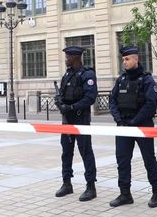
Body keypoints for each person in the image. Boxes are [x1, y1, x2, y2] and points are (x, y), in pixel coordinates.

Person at [109, 46, 157, 208]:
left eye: (127, 59)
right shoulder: (121, 80)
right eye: (123, 59)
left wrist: (135, 122)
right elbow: (112, 101)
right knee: (122, 160)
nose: (124, 62)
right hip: (124, 126)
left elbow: (151, 105)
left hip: (142, 126)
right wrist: (119, 119)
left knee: (149, 159)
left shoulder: (147, 79)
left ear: (136, 59)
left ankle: (156, 191)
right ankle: (125, 194)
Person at [54, 46, 98, 201]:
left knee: (86, 152)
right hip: (67, 120)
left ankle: (91, 186)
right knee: (66, 152)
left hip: (81, 119)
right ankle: (67, 183)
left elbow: (90, 97)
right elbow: (61, 94)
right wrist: (59, 102)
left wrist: (72, 107)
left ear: (75, 57)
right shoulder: (67, 74)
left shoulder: (87, 74)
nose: (66, 59)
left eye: (68, 57)